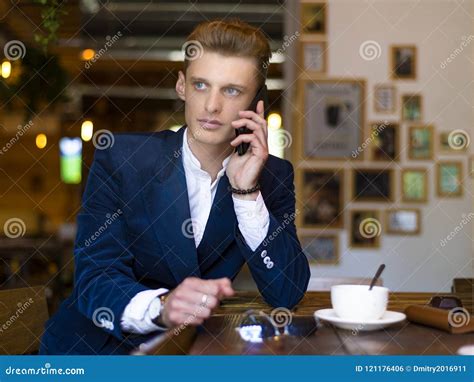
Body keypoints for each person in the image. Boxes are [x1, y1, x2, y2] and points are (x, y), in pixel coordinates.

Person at [40, 19, 310, 355]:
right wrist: (163, 307)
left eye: (231, 90)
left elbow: (287, 292)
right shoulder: (123, 159)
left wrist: (246, 192)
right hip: (97, 349)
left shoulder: (273, 176)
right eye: (201, 85)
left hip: (196, 351)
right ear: (182, 85)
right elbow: (95, 277)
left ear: (257, 102)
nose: (211, 106)